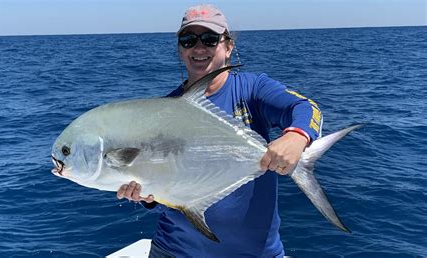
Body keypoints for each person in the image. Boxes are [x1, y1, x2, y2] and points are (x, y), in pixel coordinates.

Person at [117, 4, 322, 257]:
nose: (199, 48)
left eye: (210, 39)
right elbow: (164, 189)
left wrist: (296, 136)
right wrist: (147, 196)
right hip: (172, 251)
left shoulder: (252, 89)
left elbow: (306, 108)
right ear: (181, 50)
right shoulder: (164, 111)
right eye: (189, 40)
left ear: (228, 46)